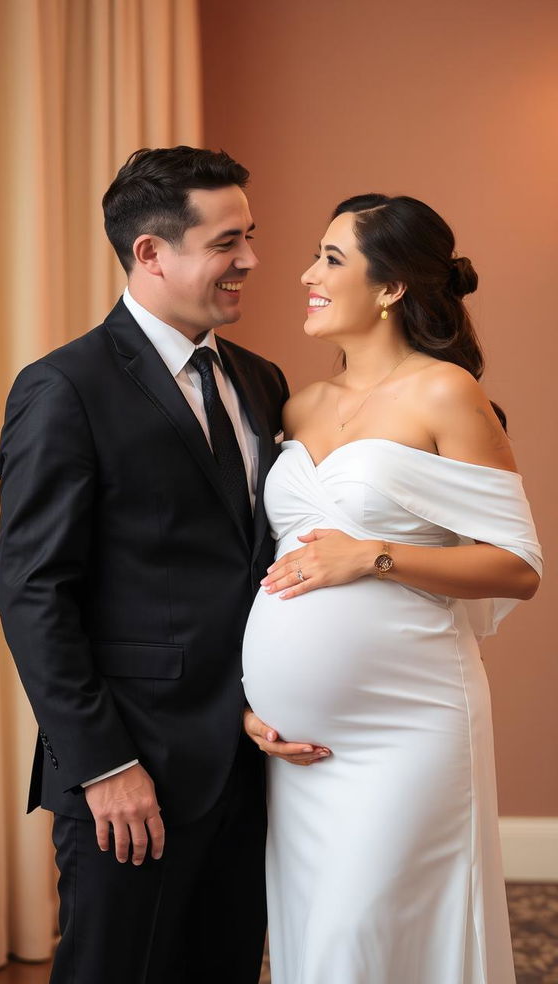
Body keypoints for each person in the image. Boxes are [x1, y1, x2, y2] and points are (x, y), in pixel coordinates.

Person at [0, 146, 291, 984]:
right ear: (151, 253)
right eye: (227, 241)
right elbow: (33, 593)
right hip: (132, 777)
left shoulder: (261, 380)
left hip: (248, 760)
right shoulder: (64, 387)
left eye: (252, 236)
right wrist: (104, 766)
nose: (252, 261)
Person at [242, 194, 542, 984]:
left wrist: (374, 556)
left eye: (331, 260)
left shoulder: (445, 393)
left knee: (363, 945)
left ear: (391, 288)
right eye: (314, 255)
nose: (307, 275)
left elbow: (517, 566)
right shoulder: (297, 405)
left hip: (408, 731)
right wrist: (253, 700)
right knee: (316, 949)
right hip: (298, 755)